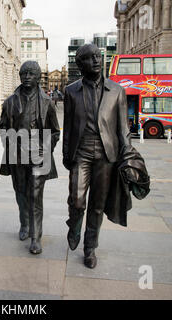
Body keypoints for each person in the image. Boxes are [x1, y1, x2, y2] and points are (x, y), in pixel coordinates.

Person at [62, 44, 131, 269]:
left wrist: (128, 156)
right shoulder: (71, 91)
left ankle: (90, 248)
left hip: (106, 155)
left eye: (98, 57)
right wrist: (65, 155)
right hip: (80, 152)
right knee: (77, 200)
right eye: (90, 58)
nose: (97, 61)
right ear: (80, 64)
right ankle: (74, 224)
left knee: (97, 205)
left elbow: (123, 129)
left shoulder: (117, 90)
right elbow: (69, 127)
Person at [0, 61, 60, 254]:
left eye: (31, 74)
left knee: (35, 195)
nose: (27, 77)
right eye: (24, 73)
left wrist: (46, 148)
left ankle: (36, 236)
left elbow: (55, 131)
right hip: (17, 153)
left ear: (38, 77)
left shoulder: (47, 102)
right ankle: (24, 223)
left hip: (38, 154)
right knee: (20, 193)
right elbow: (2, 128)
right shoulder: (10, 102)